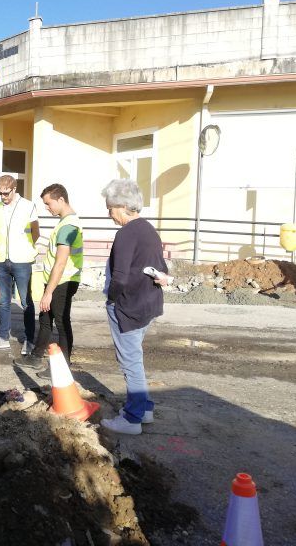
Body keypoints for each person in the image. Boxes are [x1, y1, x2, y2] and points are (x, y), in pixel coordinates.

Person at [99, 178, 169, 435]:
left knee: (129, 362)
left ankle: (132, 419)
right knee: (135, 358)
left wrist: (111, 299)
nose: (109, 214)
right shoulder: (149, 229)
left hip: (129, 306)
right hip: (148, 303)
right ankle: (144, 408)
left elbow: (120, 277)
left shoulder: (126, 233)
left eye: (110, 208)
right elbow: (162, 268)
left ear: (121, 205)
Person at [15, 183, 83, 374]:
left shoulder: (68, 226)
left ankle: (64, 368)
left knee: (62, 323)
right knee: (45, 319)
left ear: (61, 199)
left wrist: (48, 292)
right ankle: (36, 357)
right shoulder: (65, 222)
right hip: (58, 281)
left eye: (48, 203)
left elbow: (60, 263)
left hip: (63, 282)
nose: (47, 208)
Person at [0, 175, 40, 354]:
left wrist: (26, 247)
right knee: (3, 302)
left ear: (14, 189)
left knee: (25, 301)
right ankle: (2, 338)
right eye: (0, 193)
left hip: (22, 260)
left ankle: (29, 340)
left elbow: (35, 231)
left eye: (6, 193)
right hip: (1, 259)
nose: (3, 197)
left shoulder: (28, 205)